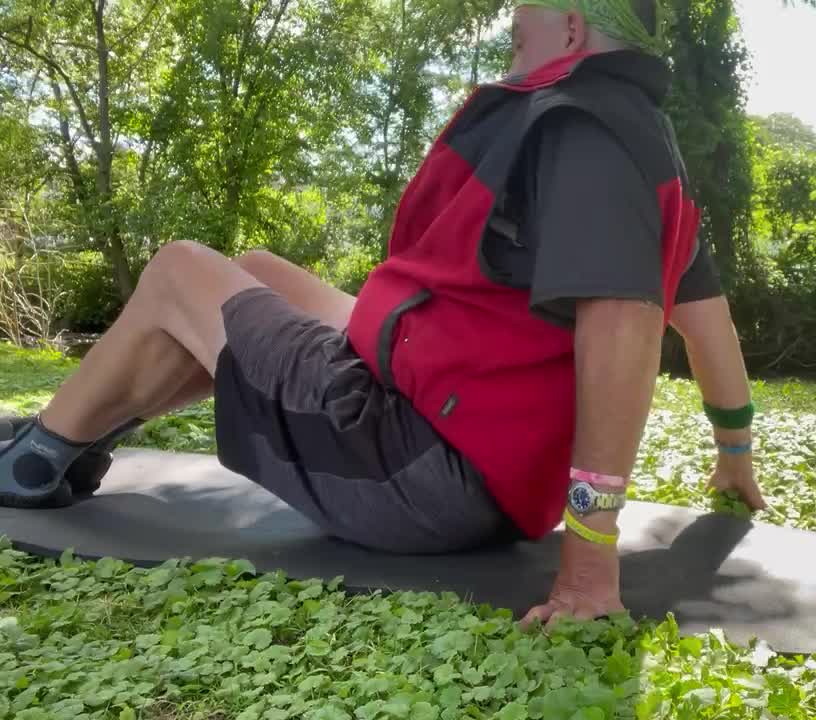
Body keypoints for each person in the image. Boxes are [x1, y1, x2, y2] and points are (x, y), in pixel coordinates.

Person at [0, 0, 766, 626]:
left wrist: (593, 558)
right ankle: (77, 433)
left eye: (521, 23)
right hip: (467, 444)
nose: (510, 34)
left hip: (421, 474)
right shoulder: (641, 153)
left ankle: (39, 456)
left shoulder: (581, 129)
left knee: (177, 270)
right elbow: (710, 327)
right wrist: (735, 457)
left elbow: (623, 325)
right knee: (256, 273)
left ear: (570, 31)